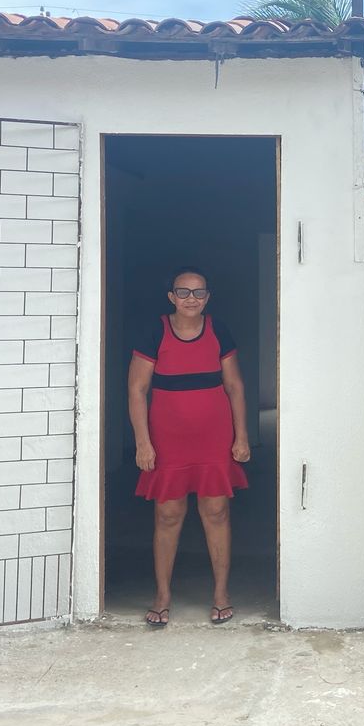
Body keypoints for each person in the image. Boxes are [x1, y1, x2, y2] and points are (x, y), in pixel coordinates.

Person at [128, 267, 250, 628]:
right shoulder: (155, 331)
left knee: (216, 513)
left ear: (208, 297)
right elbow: (137, 389)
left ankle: (221, 593)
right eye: (183, 292)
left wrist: (241, 436)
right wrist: (142, 442)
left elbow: (235, 386)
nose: (191, 298)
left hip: (214, 437)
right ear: (171, 297)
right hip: (167, 440)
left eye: (198, 292)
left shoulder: (218, 330)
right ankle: (162, 595)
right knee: (168, 515)